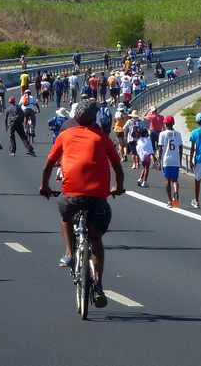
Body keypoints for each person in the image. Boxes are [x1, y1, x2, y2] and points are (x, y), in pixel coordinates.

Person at [40, 100, 125, 309]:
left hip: (72, 195)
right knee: (96, 239)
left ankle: (69, 254)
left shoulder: (65, 135)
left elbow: (49, 164)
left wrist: (45, 186)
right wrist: (119, 187)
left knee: (65, 217)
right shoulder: (101, 138)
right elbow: (117, 167)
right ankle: (98, 284)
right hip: (98, 197)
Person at [158, 116, 183, 207]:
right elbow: (180, 147)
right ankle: (176, 194)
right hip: (175, 159)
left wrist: (159, 160)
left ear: (165, 124)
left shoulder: (162, 134)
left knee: (168, 181)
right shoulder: (178, 134)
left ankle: (169, 201)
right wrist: (180, 159)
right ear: (173, 123)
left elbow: (160, 148)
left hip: (166, 160)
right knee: (175, 180)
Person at [135, 123, 154, 188]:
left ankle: (140, 179)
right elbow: (151, 149)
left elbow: (137, 149)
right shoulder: (148, 140)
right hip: (147, 156)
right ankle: (144, 182)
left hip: (141, 156)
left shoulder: (139, 140)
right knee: (147, 169)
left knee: (144, 168)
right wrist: (154, 157)